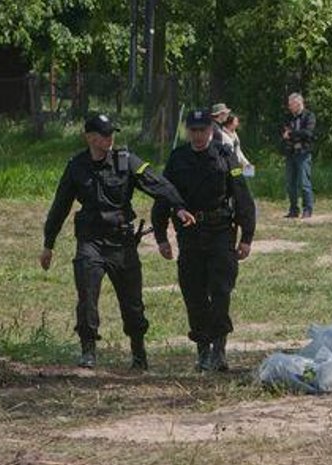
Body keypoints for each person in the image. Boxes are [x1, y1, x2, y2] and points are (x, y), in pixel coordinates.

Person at [40, 113, 196, 370]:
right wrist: (49, 244)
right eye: (104, 134)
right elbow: (60, 206)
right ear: (90, 138)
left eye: (112, 133)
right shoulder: (76, 166)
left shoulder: (126, 161)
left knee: (132, 303)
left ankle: (138, 353)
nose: (110, 138)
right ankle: (88, 350)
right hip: (91, 242)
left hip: (122, 242)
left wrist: (178, 206)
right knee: (87, 296)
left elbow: (155, 183)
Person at [152, 108, 256, 372]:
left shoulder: (225, 156)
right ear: (188, 131)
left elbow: (242, 195)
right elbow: (165, 195)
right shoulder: (178, 159)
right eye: (194, 131)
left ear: (212, 130)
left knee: (221, 291)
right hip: (190, 234)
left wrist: (247, 237)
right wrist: (162, 236)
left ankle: (219, 348)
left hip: (220, 231)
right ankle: (203, 350)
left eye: (203, 130)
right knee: (194, 293)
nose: (198, 135)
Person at [282, 93, 316, 218]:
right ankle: (293, 209)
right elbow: (284, 131)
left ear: (298, 103)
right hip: (290, 153)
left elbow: (308, 133)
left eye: (291, 104)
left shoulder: (309, 116)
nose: (289, 107)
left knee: (304, 182)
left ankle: (307, 209)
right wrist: (291, 135)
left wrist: (291, 134)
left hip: (303, 153)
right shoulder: (289, 117)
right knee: (290, 183)